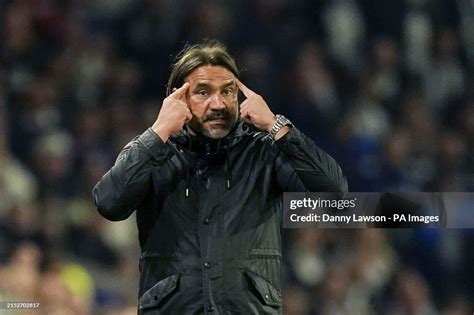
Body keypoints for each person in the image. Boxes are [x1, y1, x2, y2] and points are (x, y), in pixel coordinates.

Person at [93, 40, 347, 314]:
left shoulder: (264, 152)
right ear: (177, 99)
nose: (218, 104)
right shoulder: (153, 151)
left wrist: (277, 126)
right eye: (203, 92)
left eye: (227, 91)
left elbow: (335, 197)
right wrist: (158, 132)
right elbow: (109, 203)